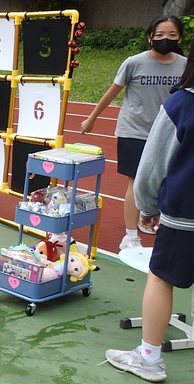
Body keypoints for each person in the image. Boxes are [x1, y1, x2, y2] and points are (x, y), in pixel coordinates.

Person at [103, 20, 194, 384]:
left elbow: (151, 168)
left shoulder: (181, 105)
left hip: (186, 216)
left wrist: (148, 208)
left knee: (161, 278)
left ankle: (148, 358)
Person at [80, 15, 187, 252]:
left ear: (180, 37)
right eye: (159, 35)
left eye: (172, 35)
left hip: (169, 133)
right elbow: (112, 92)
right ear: (149, 37)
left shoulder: (185, 65)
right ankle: (130, 235)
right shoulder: (134, 62)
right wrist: (92, 118)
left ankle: (150, 219)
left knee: (167, 181)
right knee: (136, 182)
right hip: (134, 131)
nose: (165, 39)